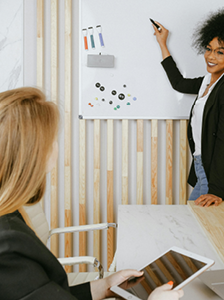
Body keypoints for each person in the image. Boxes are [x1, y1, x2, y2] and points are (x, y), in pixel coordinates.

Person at [0, 87, 184, 300]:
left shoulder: (11, 217)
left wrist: (105, 286)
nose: (56, 145)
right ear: (33, 153)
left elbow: (42, 292)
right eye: (52, 138)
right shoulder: (7, 247)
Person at [152, 9, 224, 207]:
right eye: (208, 49)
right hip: (203, 167)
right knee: (195, 225)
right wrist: (162, 43)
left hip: (218, 175)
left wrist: (216, 190)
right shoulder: (208, 82)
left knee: (194, 224)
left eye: (220, 52)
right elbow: (178, 83)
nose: (211, 56)